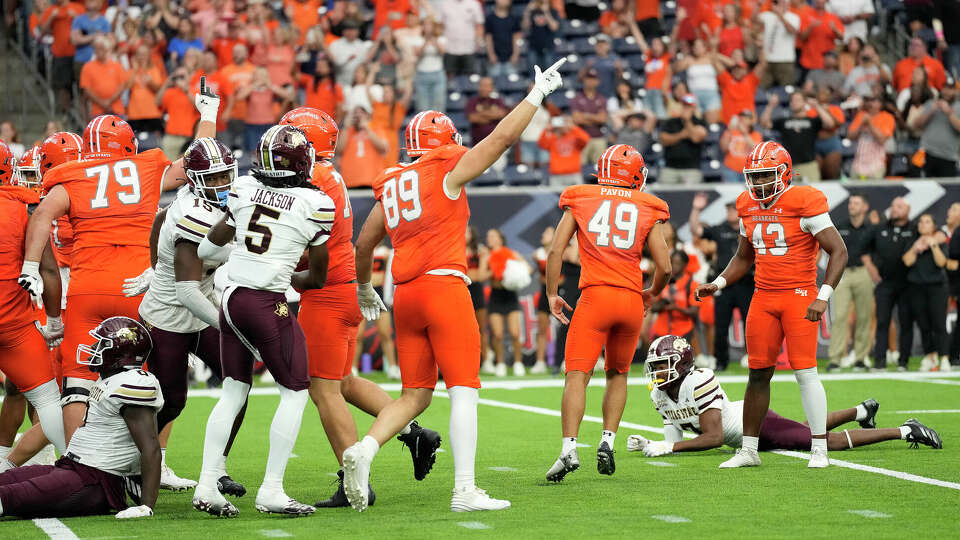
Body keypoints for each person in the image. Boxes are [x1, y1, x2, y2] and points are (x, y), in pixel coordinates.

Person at [343, 58, 566, 513]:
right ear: (444, 142)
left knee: (415, 395)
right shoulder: (444, 169)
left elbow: (363, 243)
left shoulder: (392, 182)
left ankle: (364, 449)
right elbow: (501, 139)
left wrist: (365, 287)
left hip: (403, 294)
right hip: (443, 288)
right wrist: (535, 95)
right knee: (463, 389)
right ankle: (464, 489)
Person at [19, 87, 218, 447]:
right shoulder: (145, 168)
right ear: (128, 145)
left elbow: (42, 214)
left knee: (78, 381)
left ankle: (78, 461)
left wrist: (31, 264)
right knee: (143, 381)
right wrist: (208, 115)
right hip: (137, 288)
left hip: (86, 289)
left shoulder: (73, 177)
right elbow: (199, 159)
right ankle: (138, 461)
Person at [279, 108, 442, 507]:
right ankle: (413, 433)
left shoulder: (312, 177)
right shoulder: (326, 174)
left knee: (323, 389)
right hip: (345, 286)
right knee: (345, 382)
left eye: (288, 137)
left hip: (328, 289)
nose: (278, 146)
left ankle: (354, 478)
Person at [191, 125, 334, 517]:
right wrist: (287, 274)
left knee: (233, 391)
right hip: (266, 302)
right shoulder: (315, 203)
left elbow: (206, 248)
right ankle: (271, 490)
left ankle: (206, 485)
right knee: (295, 391)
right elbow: (317, 279)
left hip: (231, 298)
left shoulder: (244, 190)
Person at [695, 141, 848, 469]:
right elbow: (743, 256)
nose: (760, 183)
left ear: (784, 173)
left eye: (766, 175)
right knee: (757, 374)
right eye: (755, 176)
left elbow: (839, 250)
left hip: (799, 295)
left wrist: (822, 297)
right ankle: (748, 450)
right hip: (763, 297)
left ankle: (819, 448)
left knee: (805, 372)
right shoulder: (746, 204)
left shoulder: (805, 200)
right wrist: (718, 283)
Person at [543, 144, 672, 482]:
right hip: (630, 299)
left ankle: (569, 448)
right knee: (618, 374)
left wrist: (553, 293)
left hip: (595, 297)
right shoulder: (648, 205)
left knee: (577, 375)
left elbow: (556, 249)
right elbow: (666, 266)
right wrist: (652, 293)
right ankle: (607, 440)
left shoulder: (581, 197)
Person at [129, 137, 246, 497]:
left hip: (201, 301)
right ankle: (133, 462)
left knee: (237, 382)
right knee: (172, 398)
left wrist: (155, 264)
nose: (222, 185)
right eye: (211, 179)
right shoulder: (193, 216)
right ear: (195, 181)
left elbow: (159, 217)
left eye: (225, 176)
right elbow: (187, 292)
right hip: (170, 314)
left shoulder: (195, 203)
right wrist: (228, 324)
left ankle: (217, 469)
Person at [628, 335, 942, 458]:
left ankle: (905, 430)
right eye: (654, 366)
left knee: (820, 442)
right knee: (805, 428)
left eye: (661, 365)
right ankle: (861, 412)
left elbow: (714, 436)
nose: (656, 372)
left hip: (755, 425)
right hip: (745, 437)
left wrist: (669, 447)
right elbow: (675, 431)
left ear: (681, 364)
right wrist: (655, 444)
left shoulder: (698, 381)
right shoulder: (660, 393)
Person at [0, 317, 167, 520]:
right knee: (6, 479)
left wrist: (146, 505)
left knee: (11, 495)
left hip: (94, 479)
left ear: (122, 353)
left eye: (101, 344)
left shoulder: (132, 383)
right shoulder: (112, 378)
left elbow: (150, 447)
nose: (94, 348)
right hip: (74, 468)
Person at [0, 141, 66, 463]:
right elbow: (49, 269)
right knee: (49, 398)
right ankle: (75, 467)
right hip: (14, 321)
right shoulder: (24, 208)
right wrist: (55, 320)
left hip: (19, 317)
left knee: (21, 393)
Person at [689, 195, 753, 372]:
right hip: (724, 284)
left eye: (734, 209)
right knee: (721, 325)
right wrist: (696, 210)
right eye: (728, 209)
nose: (731, 212)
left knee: (751, 323)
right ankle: (720, 361)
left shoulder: (749, 227)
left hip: (747, 282)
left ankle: (753, 357)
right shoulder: (720, 229)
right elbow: (697, 230)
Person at [862, 197, 916, 371]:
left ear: (907, 210)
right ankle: (880, 362)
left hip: (908, 283)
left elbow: (936, 234)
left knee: (906, 322)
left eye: (899, 206)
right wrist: (871, 269)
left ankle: (903, 362)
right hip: (884, 282)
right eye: (892, 206)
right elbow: (862, 249)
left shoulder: (915, 228)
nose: (894, 209)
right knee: (882, 322)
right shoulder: (880, 228)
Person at [827, 194, 874, 371]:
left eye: (856, 203)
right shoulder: (840, 227)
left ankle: (860, 358)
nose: (851, 205)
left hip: (863, 272)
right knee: (839, 316)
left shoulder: (871, 228)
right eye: (850, 202)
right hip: (843, 274)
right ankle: (835, 358)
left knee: (864, 316)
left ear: (865, 207)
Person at [904, 214, 950, 372]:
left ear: (933, 226)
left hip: (937, 287)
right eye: (921, 222)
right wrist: (916, 249)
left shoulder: (939, 240)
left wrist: (933, 245)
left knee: (939, 323)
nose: (923, 224)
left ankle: (944, 357)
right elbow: (907, 261)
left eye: (927, 222)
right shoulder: (913, 241)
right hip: (917, 287)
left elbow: (942, 262)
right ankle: (930, 356)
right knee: (923, 324)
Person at [761, 91, 836, 182]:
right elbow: (765, 123)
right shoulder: (784, 121)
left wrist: (816, 106)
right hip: (788, 166)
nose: (795, 102)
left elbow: (830, 123)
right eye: (793, 100)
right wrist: (771, 105)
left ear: (804, 102)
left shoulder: (812, 121)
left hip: (809, 165)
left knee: (812, 194)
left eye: (798, 100)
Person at [485, 229, 528, 377]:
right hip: (496, 296)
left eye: (493, 236)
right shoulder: (487, 255)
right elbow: (481, 274)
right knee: (497, 334)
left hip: (510, 296)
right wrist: (495, 270)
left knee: (515, 333)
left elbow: (527, 268)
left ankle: (518, 363)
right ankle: (500, 363)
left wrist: (514, 271)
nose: (489, 239)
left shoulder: (510, 253)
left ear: (500, 238)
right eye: (488, 236)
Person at [909, 78, 960, 179]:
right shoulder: (930, 104)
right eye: (945, 88)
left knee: (948, 190)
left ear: (956, 91)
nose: (947, 92)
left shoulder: (958, 107)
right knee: (917, 181)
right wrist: (932, 110)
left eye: (951, 89)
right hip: (926, 152)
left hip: (948, 156)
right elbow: (916, 125)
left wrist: (949, 113)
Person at [649, 251, 701, 341]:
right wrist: (662, 304)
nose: (674, 266)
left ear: (685, 265)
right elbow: (653, 308)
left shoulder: (692, 284)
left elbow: (694, 311)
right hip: (661, 331)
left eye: (678, 263)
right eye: (672, 263)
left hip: (683, 331)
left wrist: (676, 308)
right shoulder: (663, 281)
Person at [659, 94, 707, 184]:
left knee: (690, 195)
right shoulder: (671, 122)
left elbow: (696, 138)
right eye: (685, 106)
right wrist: (681, 135)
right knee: (664, 195)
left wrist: (687, 121)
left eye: (689, 106)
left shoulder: (700, 122)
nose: (686, 109)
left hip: (692, 169)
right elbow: (663, 140)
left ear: (694, 108)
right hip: (670, 167)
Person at [847, 93, 896, 179]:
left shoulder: (887, 117)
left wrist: (869, 124)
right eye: (868, 100)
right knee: (854, 191)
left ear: (880, 103)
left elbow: (881, 139)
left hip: (876, 165)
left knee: (874, 191)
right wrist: (862, 125)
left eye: (873, 101)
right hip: (858, 164)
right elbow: (850, 136)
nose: (870, 103)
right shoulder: (861, 115)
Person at [79, 37, 129, 119]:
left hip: (117, 110)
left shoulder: (117, 66)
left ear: (107, 49)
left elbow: (122, 86)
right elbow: (86, 89)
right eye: (96, 48)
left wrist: (109, 101)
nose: (98, 50)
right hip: (97, 111)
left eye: (101, 48)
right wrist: (102, 103)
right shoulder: (87, 67)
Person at [754, 0, 800, 87]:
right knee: (762, 88)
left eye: (781, 2)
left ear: (787, 4)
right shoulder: (768, 15)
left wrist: (780, 16)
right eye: (777, 2)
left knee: (787, 88)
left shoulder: (793, 17)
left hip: (785, 60)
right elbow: (754, 20)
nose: (778, 4)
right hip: (768, 60)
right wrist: (758, 6)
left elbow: (792, 30)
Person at [571, 69, 610, 166]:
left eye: (593, 79)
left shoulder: (601, 99)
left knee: (600, 168)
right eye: (588, 79)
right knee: (579, 165)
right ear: (584, 80)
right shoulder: (577, 98)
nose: (590, 81)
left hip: (598, 137)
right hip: (581, 138)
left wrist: (586, 115)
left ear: (598, 81)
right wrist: (595, 118)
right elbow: (576, 119)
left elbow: (603, 119)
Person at [538, 115, 590, 187]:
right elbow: (541, 144)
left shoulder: (575, 137)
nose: (563, 125)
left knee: (578, 197)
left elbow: (586, 139)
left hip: (574, 174)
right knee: (556, 197)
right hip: (557, 176)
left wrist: (573, 127)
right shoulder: (553, 138)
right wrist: (546, 130)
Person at [438, 0, 484, 79]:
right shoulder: (444, 4)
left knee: (470, 79)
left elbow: (479, 25)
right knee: (450, 79)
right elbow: (439, 25)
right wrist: (441, 42)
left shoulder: (474, 4)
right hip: (450, 49)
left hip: (469, 49)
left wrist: (478, 41)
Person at [532, 226, 554, 375]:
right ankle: (540, 362)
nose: (542, 235)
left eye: (547, 233)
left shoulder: (565, 251)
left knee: (569, 329)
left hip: (561, 293)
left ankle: (566, 360)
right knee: (542, 329)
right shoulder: (537, 254)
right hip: (545, 293)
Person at [719, 109, 763, 183]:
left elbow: (757, 151)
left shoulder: (756, 134)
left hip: (749, 171)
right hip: (731, 169)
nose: (744, 120)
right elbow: (724, 148)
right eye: (742, 117)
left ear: (751, 121)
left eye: (747, 118)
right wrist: (729, 130)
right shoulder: (731, 132)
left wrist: (745, 133)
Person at [467, 77, 509, 145]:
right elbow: (472, 118)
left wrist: (480, 114)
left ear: (492, 87)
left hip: (496, 143)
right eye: (482, 85)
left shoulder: (498, 101)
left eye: (487, 86)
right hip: (476, 144)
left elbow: (501, 114)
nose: (484, 88)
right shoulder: (472, 101)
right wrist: (492, 116)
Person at [521, 0, 559, 77]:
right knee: (533, 74)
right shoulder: (532, 12)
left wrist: (546, 12)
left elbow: (554, 27)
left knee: (549, 74)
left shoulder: (553, 11)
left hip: (548, 46)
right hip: (533, 47)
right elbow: (525, 27)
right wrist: (527, 11)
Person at [485, 0, 521, 78]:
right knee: (493, 83)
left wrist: (515, 54)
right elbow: (488, 38)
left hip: (510, 58)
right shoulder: (490, 19)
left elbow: (516, 38)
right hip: (495, 58)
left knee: (513, 84)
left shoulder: (514, 18)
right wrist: (491, 54)